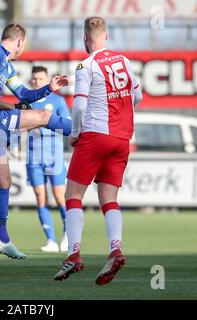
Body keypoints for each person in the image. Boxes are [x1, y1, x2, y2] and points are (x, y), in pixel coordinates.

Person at [0, 23, 71, 259]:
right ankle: (83, 133)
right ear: (20, 42)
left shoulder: (8, 66)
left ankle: (3, 239)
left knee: (3, 181)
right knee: (44, 117)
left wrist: (48, 89)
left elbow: (24, 95)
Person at [53, 16, 143, 285]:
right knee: (109, 198)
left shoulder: (85, 65)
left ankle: (74, 254)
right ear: (106, 36)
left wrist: (76, 133)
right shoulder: (124, 61)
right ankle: (115, 249)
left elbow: (79, 106)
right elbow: (137, 96)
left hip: (95, 135)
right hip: (121, 139)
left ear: (85, 39)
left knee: (73, 195)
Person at [26, 66, 70, 253]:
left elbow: (66, 125)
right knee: (40, 197)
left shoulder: (58, 101)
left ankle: (68, 235)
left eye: (40, 78)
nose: (37, 81)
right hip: (33, 154)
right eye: (34, 79)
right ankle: (51, 240)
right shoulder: (27, 101)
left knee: (60, 197)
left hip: (54, 153)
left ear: (47, 80)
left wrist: (44, 123)